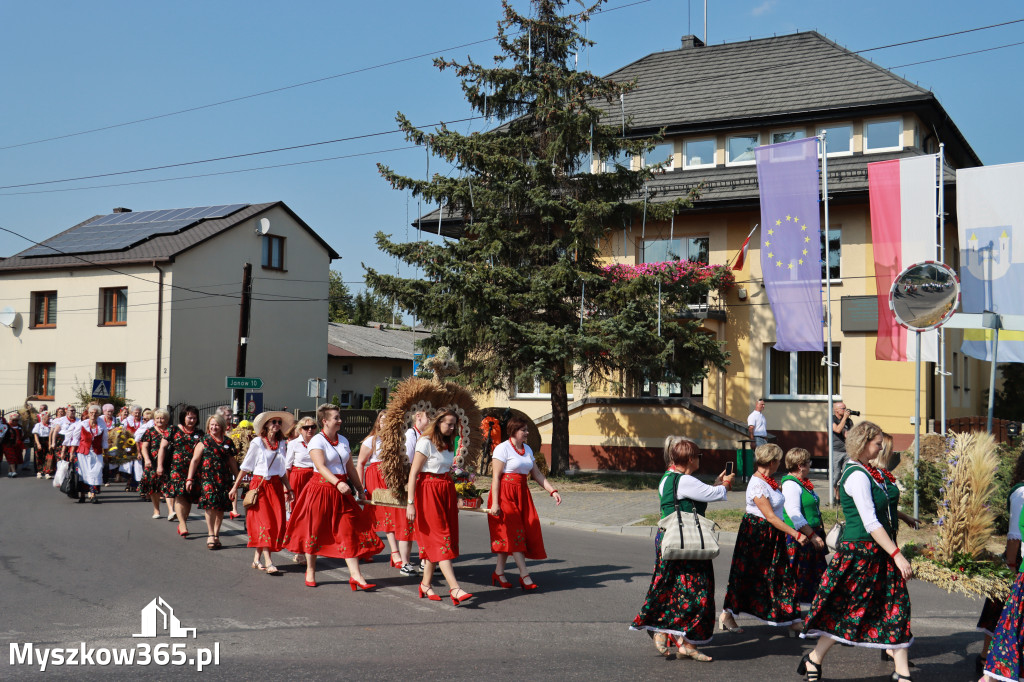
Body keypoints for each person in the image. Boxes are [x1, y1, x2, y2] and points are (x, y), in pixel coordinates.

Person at [802, 421, 914, 682]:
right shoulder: (856, 475)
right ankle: (814, 658)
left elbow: (882, 511)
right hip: (860, 556)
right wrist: (897, 554)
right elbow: (871, 522)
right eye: (877, 443)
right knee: (846, 611)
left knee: (896, 609)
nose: (881, 447)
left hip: (879, 554)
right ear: (864, 444)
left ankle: (903, 672)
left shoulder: (869, 472)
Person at [630, 436, 733, 661]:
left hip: (670, 538)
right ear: (689, 459)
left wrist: (716, 483)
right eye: (698, 456)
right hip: (686, 542)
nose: (700, 460)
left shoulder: (668, 478)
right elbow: (716, 495)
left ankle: (677, 638)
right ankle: (670, 633)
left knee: (672, 587)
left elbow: (701, 492)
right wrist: (725, 484)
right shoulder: (685, 481)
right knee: (697, 592)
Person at [283, 404, 384, 588]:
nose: (340, 420)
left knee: (349, 531)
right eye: (336, 417)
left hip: (342, 492)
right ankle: (311, 570)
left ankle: (356, 576)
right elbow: (320, 467)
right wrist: (337, 483)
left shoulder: (343, 440)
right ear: (325, 421)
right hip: (321, 489)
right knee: (315, 530)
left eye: (339, 417)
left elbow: (350, 467)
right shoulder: (316, 441)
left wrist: (360, 489)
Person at [720, 442, 806, 635]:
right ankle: (727, 615)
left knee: (783, 576)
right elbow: (771, 516)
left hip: (771, 534)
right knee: (746, 578)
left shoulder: (769, 480)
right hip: (756, 535)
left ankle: (793, 620)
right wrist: (795, 533)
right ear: (773, 461)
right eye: (779, 461)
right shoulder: (757, 484)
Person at [486, 416, 561, 590]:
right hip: (504, 494)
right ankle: (525, 575)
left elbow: (537, 474)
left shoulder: (527, 449)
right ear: (514, 431)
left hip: (522, 493)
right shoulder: (502, 449)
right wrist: (495, 503)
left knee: (512, 535)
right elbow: (496, 478)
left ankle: (498, 573)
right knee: (514, 534)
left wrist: (552, 490)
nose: (527, 433)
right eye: (524, 430)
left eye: (527, 430)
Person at [407, 410, 473, 605]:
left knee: (442, 539)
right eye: (449, 424)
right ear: (438, 423)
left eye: (454, 425)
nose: (452, 428)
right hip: (428, 491)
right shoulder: (425, 442)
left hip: (445, 490)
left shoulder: (447, 444)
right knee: (440, 538)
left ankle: (425, 584)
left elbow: (448, 471)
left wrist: (457, 496)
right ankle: (455, 588)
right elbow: (413, 474)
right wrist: (410, 503)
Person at [229, 411, 295, 575]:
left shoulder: (281, 444)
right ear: (266, 424)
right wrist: (234, 487)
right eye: (273, 422)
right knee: (265, 524)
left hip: (276, 486)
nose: (276, 425)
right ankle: (269, 561)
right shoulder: (258, 442)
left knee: (274, 523)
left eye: (279, 422)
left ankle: (256, 559)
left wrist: (288, 488)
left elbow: (282, 471)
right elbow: (245, 467)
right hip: (260, 486)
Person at [977, 452, 1024, 677]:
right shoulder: (1021, 493)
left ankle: (988, 663)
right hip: (1017, 560)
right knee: (1004, 612)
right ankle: (987, 659)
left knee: (1005, 613)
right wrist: (1012, 564)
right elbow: (1015, 534)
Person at [358, 410, 417, 575]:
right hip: (375, 477)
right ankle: (394, 552)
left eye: (388, 420)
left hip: (391, 477)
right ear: (378, 422)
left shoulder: (398, 440)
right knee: (381, 514)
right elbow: (361, 463)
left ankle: (368, 548)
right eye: (382, 420)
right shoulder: (372, 440)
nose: (385, 423)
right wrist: (360, 486)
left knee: (390, 514)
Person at [780, 447, 827, 604]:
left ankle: (813, 613)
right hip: (800, 538)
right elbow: (794, 514)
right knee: (797, 578)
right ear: (800, 465)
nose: (810, 465)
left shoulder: (802, 483)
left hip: (810, 536)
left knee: (816, 578)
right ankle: (792, 615)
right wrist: (812, 536)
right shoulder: (791, 485)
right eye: (809, 462)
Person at [185, 414, 240, 550]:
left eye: (216, 425)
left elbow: (232, 462)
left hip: (223, 478)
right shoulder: (204, 441)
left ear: (221, 426)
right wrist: (189, 479)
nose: (214, 427)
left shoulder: (227, 442)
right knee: (210, 505)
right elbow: (195, 460)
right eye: (212, 425)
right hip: (208, 478)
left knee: (220, 507)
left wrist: (238, 479)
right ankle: (210, 534)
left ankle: (216, 534)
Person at [158, 406, 204, 536]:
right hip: (176, 468)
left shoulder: (199, 434)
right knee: (179, 494)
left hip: (193, 469)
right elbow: (162, 447)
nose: (192, 420)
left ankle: (182, 521)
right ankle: (183, 524)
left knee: (188, 497)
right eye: (189, 417)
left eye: (194, 418)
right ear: (183, 417)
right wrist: (159, 466)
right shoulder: (173, 430)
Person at [139, 409, 172, 519]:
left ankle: (171, 511)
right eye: (157, 418)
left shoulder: (171, 431)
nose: (160, 420)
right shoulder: (150, 431)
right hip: (153, 463)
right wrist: (147, 459)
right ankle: (156, 509)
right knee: (154, 487)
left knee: (168, 486)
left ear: (167, 420)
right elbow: (144, 447)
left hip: (168, 462)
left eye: (162, 418)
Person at [72, 406, 107, 503]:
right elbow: (75, 439)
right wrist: (71, 452)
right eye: (91, 412)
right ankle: (83, 495)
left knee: (96, 473)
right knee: (83, 474)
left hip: (97, 452)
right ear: (88, 413)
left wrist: (106, 454)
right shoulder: (82, 424)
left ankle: (93, 495)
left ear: (98, 414)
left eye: (95, 413)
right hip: (83, 452)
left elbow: (104, 441)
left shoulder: (102, 426)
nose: (93, 414)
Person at [285, 416, 318, 504]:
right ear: (300, 430)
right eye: (306, 428)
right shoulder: (293, 444)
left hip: (314, 476)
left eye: (313, 427)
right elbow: (287, 467)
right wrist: (286, 488)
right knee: (297, 505)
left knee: (312, 505)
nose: (310, 430)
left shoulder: (319, 443)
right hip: (298, 477)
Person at [831, 401, 854, 495]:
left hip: (847, 451)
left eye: (846, 408)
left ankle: (844, 496)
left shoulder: (849, 421)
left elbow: (848, 435)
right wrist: (844, 418)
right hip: (836, 451)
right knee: (836, 476)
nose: (846, 410)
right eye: (843, 409)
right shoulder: (831, 419)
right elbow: (837, 429)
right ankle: (835, 497)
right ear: (836, 410)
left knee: (846, 474)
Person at [2, 412, 26, 478]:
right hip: (8, 444)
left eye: (16, 420)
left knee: (16, 458)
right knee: (11, 457)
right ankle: (14, 471)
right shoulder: (6, 426)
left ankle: (10, 472)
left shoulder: (19, 427)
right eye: (13, 420)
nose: (15, 421)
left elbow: (22, 435)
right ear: (10, 419)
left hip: (17, 445)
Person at [32, 411, 53, 479]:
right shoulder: (38, 425)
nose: (49, 418)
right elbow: (36, 434)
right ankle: (39, 472)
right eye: (47, 417)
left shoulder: (51, 425)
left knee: (49, 457)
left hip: (48, 441)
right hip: (40, 440)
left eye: (49, 417)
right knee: (39, 457)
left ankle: (47, 472)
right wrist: (38, 444)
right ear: (43, 418)